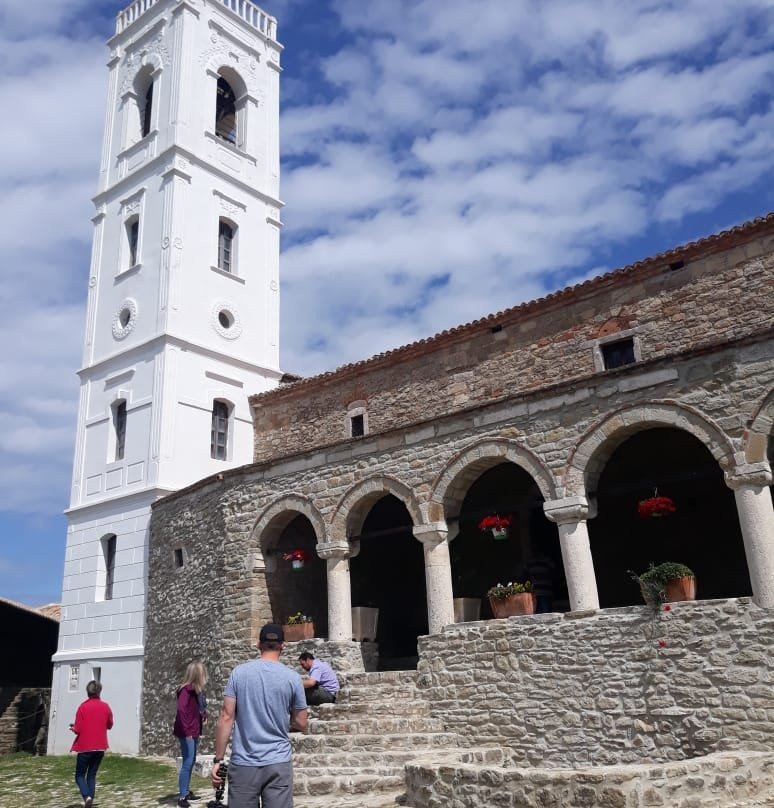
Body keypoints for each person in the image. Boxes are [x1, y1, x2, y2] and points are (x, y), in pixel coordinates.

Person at [211, 623, 308, 808]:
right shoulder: (293, 678)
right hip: (278, 761)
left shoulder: (238, 673)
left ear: (258, 644)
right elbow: (301, 723)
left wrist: (218, 759)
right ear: (283, 646)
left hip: (244, 763)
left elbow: (226, 717)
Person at [70, 679, 113, 808]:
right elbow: (110, 725)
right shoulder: (105, 706)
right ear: (99, 692)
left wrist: (73, 728)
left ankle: (86, 796)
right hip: (100, 746)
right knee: (92, 775)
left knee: (79, 775)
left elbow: (77, 729)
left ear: (87, 692)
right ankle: (90, 800)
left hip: (85, 747)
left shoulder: (83, 707)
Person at [174, 661, 208, 807]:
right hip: (187, 731)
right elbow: (182, 710)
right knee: (187, 762)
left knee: (191, 760)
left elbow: (194, 709)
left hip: (193, 729)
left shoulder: (196, 691)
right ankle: (182, 797)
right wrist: (187, 731)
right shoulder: (186, 690)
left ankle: (186, 791)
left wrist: (203, 713)